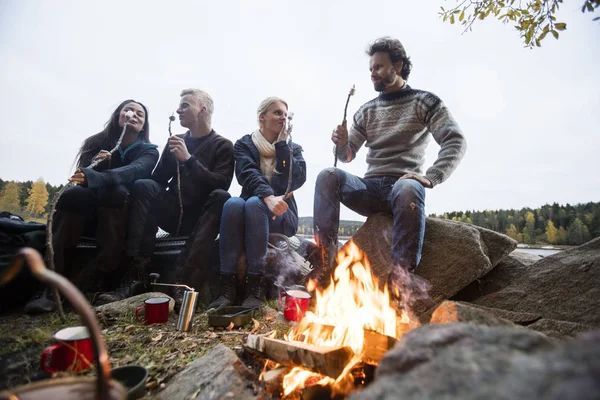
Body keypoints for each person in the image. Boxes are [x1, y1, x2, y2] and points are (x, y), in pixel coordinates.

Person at [312, 37, 467, 283]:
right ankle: (325, 264)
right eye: (371, 69)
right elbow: (347, 155)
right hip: (369, 189)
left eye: (379, 67)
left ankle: (400, 280)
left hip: (404, 186)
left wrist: (430, 176)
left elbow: (455, 140)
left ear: (397, 65)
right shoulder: (366, 110)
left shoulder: (424, 101)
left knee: (408, 187)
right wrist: (341, 143)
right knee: (327, 176)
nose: (373, 73)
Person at [96, 89, 234, 309]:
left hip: (200, 220)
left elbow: (221, 183)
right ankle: (136, 272)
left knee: (222, 197)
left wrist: (189, 160)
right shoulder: (176, 140)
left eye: (185, 105)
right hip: (171, 215)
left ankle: (185, 279)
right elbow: (158, 180)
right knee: (145, 186)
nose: (178, 110)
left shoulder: (223, 145)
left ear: (202, 110)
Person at [25, 99, 159, 314]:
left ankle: (104, 276)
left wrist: (103, 174)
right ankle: (51, 283)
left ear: (144, 125)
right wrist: (95, 166)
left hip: (121, 215)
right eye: (128, 110)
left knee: (116, 192)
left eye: (139, 114)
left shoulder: (149, 151)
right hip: (87, 213)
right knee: (72, 194)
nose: (133, 115)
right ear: (118, 115)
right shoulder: (95, 142)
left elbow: (135, 171)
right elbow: (83, 178)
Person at [209, 97, 307, 309]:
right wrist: (267, 196)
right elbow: (247, 174)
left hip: (282, 213)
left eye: (285, 113)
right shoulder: (244, 145)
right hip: (251, 210)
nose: (283, 117)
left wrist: (282, 146)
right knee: (233, 204)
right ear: (262, 117)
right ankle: (227, 287)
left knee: (254, 203)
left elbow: (297, 179)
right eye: (277, 112)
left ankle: (256, 285)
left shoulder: (293, 148)